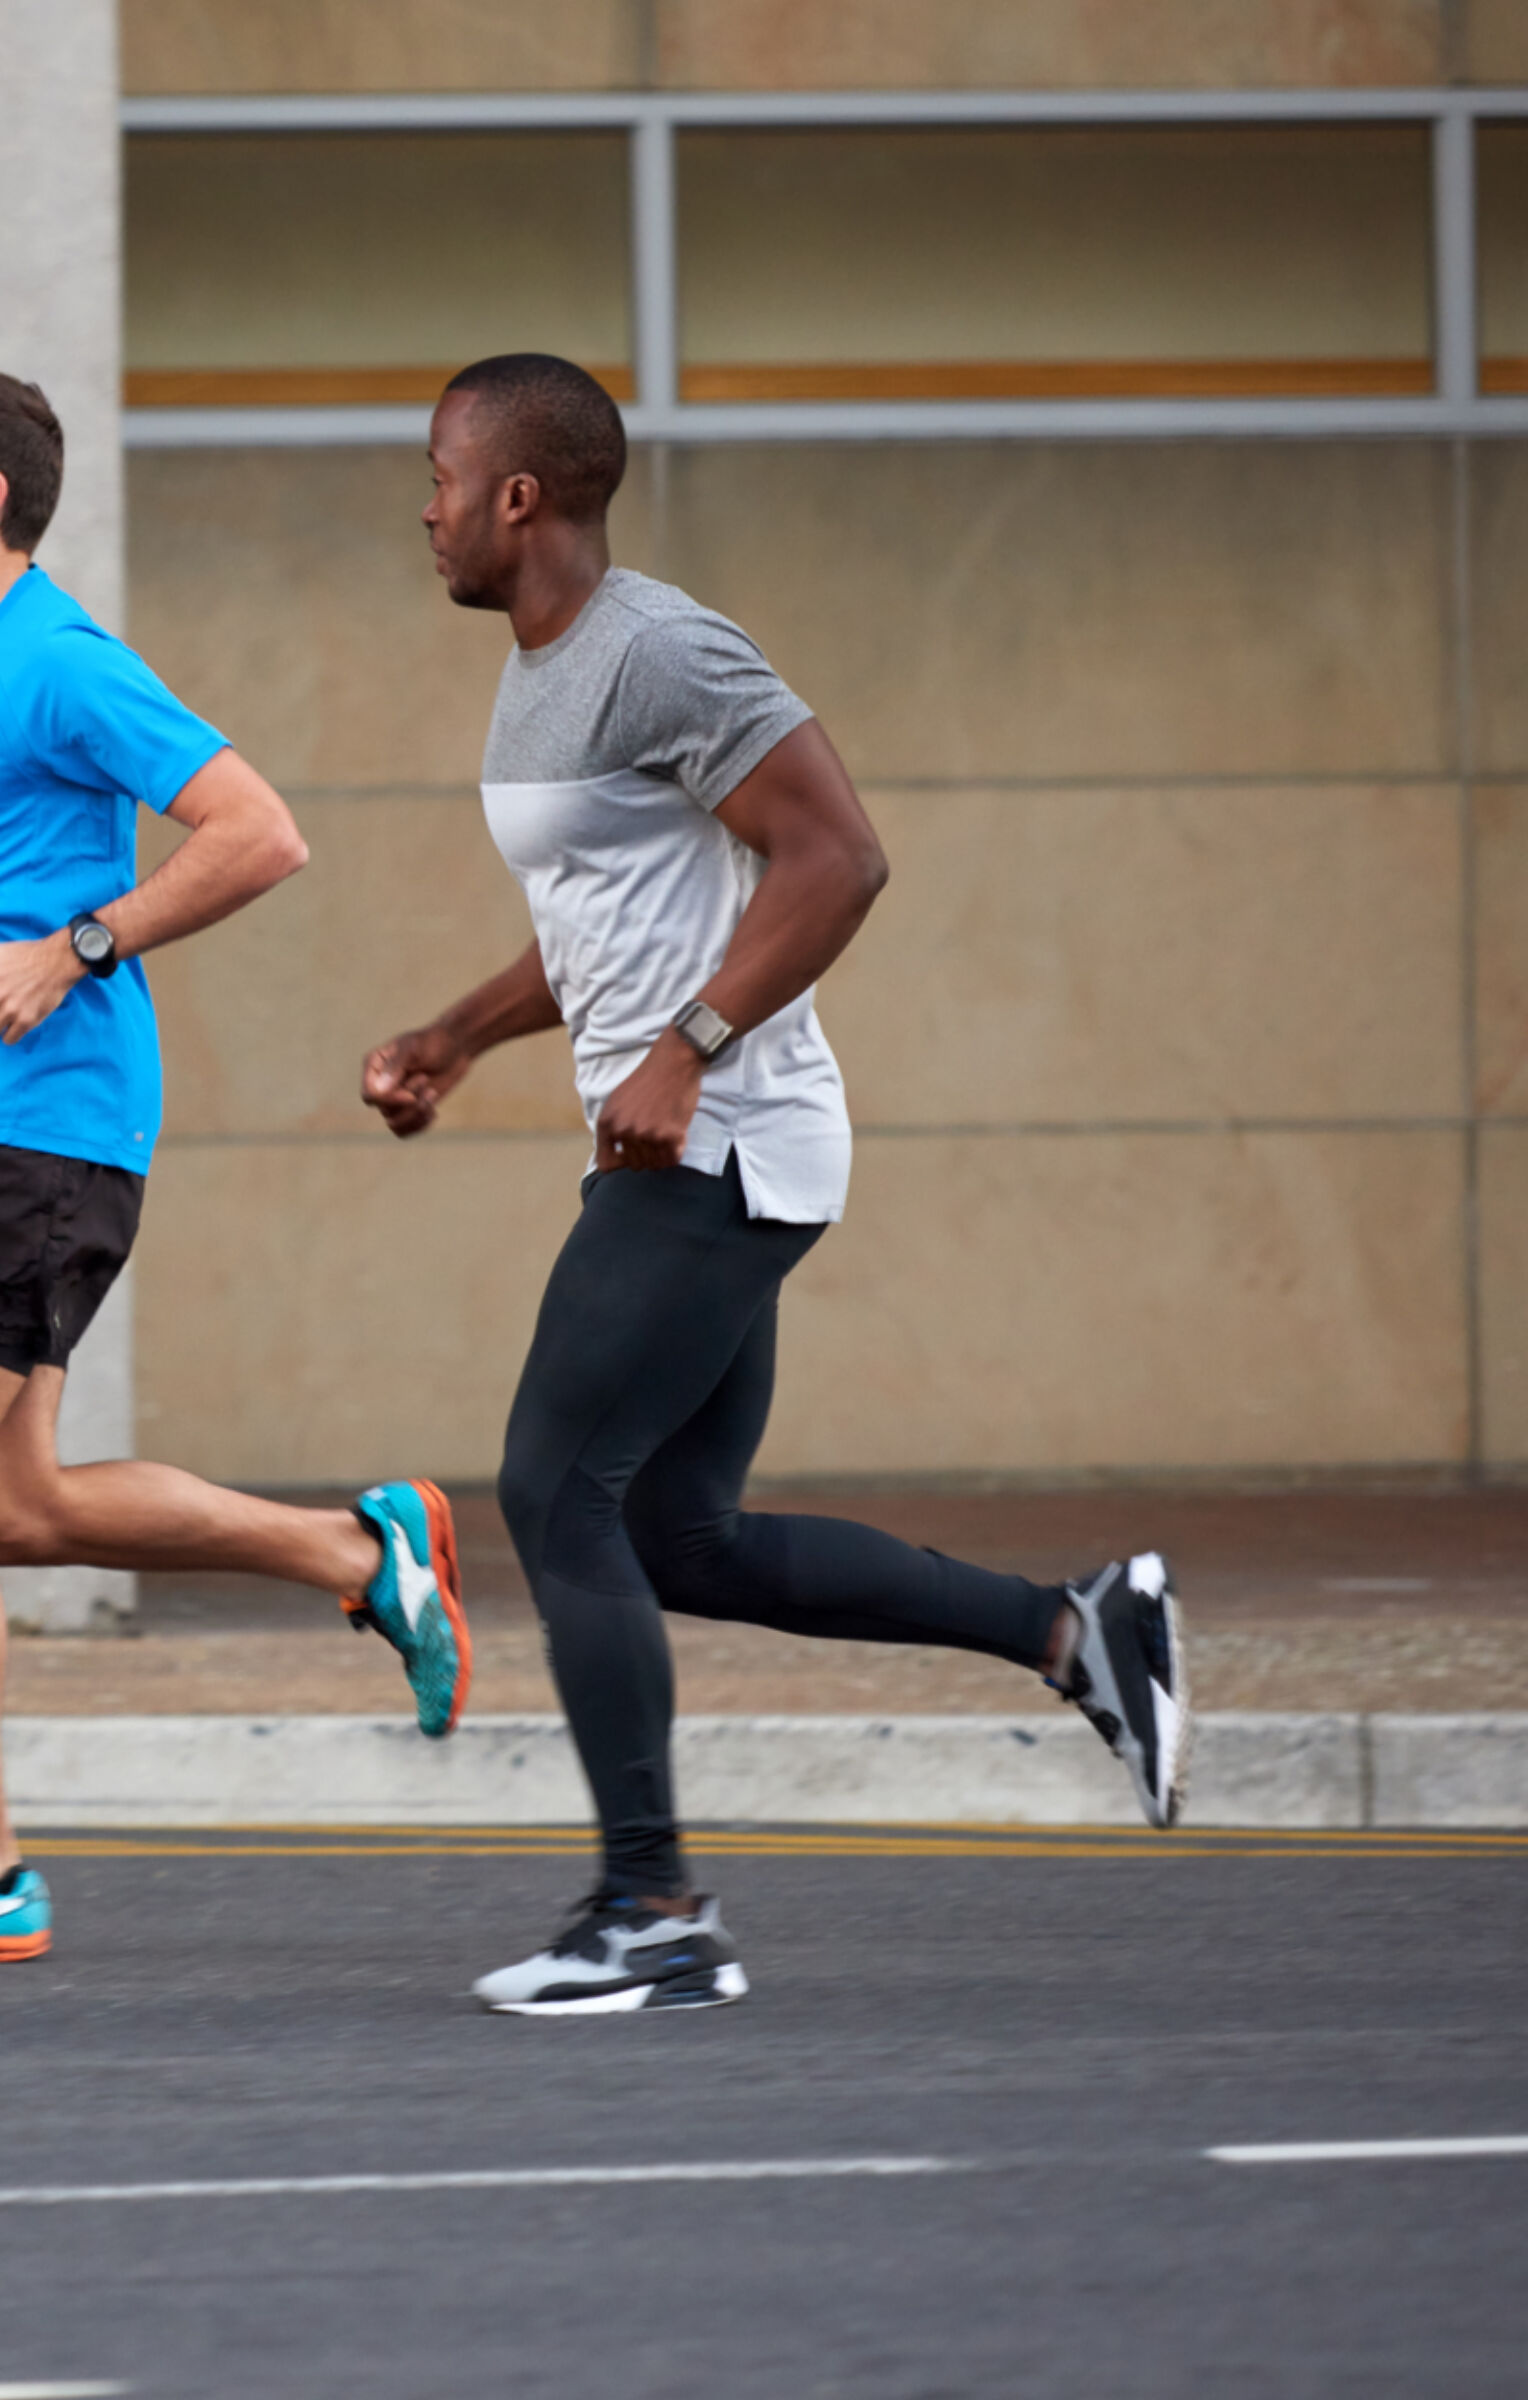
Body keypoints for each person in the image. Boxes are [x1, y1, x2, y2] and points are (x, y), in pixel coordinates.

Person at [365, 354, 1190, 2016]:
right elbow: (603, 908)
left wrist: (691, 1040)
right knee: (680, 1537)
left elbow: (840, 855)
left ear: (518, 496)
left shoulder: (662, 648)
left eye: (441, 475)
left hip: (716, 1149)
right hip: (696, 1145)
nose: (425, 506)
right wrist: (460, 1032)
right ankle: (1074, 1630)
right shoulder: (544, 675)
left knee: (550, 1496)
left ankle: (654, 1913)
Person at [0, 361, 471, 1967]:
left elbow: (258, 830)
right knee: (6, 1503)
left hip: (47, 1121)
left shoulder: (59, 659)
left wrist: (77, 945)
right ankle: (359, 1554)